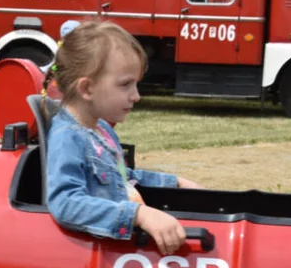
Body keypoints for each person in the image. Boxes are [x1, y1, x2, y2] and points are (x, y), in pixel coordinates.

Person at [45, 21, 200, 254]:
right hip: (100, 253)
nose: (136, 96)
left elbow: (124, 179)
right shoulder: (67, 138)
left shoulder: (102, 131)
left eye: (136, 84)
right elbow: (65, 203)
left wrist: (175, 183)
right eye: (126, 85)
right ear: (87, 89)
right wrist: (138, 214)